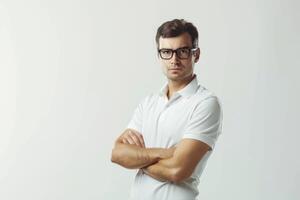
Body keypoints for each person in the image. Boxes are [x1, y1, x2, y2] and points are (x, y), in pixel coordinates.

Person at [111, 19, 223, 200]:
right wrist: (165, 153)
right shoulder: (149, 103)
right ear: (159, 55)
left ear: (196, 54)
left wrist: (137, 160)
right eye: (166, 52)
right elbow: (117, 154)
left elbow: (177, 170)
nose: (174, 59)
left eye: (183, 51)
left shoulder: (205, 103)